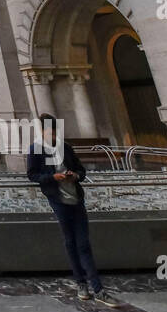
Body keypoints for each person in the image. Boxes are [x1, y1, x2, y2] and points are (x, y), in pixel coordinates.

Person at [27, 113, 108, 302]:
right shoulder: (36, 149)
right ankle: (82, 283)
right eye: (49, 132)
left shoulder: (66, 148)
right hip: (58, 200)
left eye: (54, 132)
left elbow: (81, 170)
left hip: (76, 198)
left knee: (83, 244)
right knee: (71, 241)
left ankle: (97, 287)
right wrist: (52, 178)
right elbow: (32, 174)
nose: (53, 136)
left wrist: (75, 176)